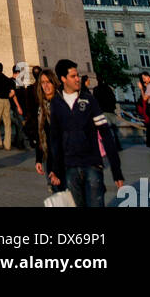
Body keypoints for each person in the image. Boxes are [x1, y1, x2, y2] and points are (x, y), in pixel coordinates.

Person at [48, 59, 124, 207]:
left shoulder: (89, 100)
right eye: (73, 76)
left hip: (92, 164)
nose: (78, 79)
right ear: (63, 79)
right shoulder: (56, 103)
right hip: (69, 167)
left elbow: (106, 135)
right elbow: (55, 139)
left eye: (77, 75)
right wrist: (54, 169)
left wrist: (116, 170)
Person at [34, 69, 64, 197]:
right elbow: (40, 133)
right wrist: (38, 159)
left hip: (62, 157)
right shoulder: (41, 107)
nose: (45, 86)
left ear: (54, 82)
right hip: (48, 156)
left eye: (48, 82)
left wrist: (57, 169)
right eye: (42, 83)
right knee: (56, 194)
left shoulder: (61, 103)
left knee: (64, 193)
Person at [0, 62, 22, 151]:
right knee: (7, 123)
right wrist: (7, 95)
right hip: (6, 101)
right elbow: (13, 92)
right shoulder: (7, 79)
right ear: (2, 68)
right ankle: (7, 145)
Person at [92, 77, 121, 151]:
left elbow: (95, 101)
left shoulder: (96, 89)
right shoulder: (108, 88)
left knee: (108, 131)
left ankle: (111, 146)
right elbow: (113, 99)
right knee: (115, 130)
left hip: (103, 112)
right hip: (111, 111)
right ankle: (118, 145)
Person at [138, 72, 150, 150]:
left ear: (148, 77)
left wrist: (142, 89)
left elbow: (145, 99)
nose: (144, 80)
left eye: (144, 78)